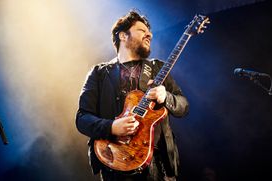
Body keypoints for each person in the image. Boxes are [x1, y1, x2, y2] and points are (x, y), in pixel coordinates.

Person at [76, 10, 189, 181]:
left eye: (149, 31)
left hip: (157, 167)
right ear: (123, 35)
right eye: (142, 30)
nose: (149, 34)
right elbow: (82, 118)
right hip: (114, 164)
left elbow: (184, 106)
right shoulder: (99, 74)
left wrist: (166, 97)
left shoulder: (158, 67)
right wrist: (112, 127)